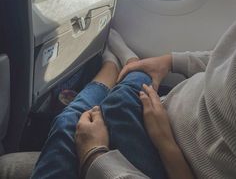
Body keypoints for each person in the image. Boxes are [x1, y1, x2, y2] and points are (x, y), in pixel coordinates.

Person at [30, 22, 236, 179]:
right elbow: (227, 62)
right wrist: (172, 61)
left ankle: (114, 67)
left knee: (70, 124)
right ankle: (125, 66)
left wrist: (95, 155)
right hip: (167, 117)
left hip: (175, 162)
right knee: (131, 89)